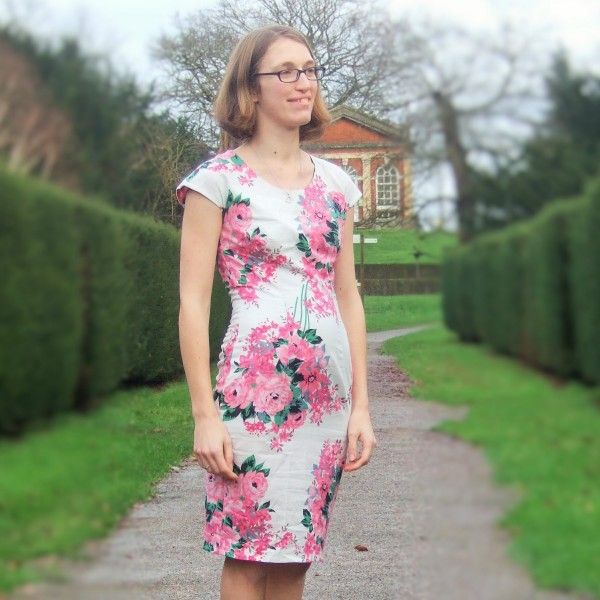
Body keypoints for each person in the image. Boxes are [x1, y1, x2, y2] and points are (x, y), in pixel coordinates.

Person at [176, 23, 377, 600]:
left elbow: (348, 297)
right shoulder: (218, 182)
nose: (302, 83)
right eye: (285, 72)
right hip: (251, 393)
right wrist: (204, 415)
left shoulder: (338, 185)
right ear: (250, 88)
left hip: (325, 401)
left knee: (295, 556)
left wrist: (361, 406)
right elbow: (192, 303)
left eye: (309, 70)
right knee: (247, 552)